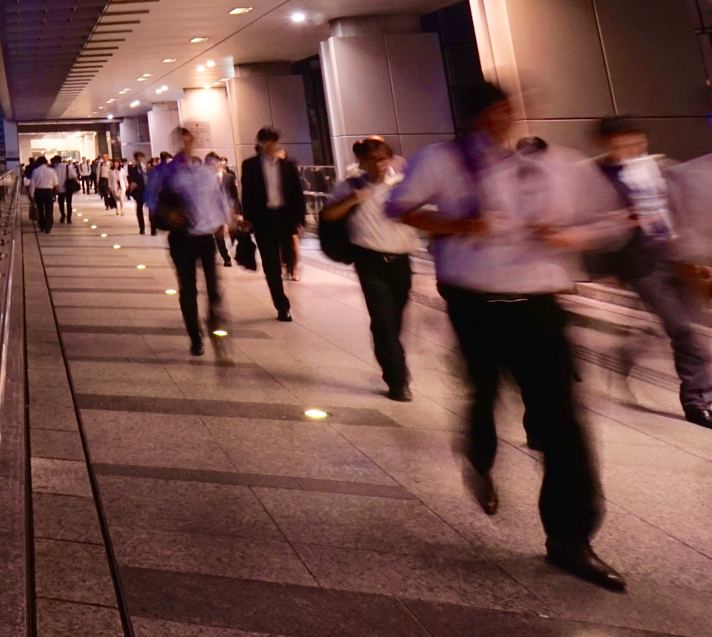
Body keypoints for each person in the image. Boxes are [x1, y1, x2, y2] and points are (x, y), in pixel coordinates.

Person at [387, 82, 630, 591]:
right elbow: (400, 207)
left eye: (510, 109)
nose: (505, 118)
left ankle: (570, 539)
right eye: (494, 111)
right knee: (483, 392)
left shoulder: (555, 163)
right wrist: (457, 225)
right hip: (474, 304)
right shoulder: (443, 161)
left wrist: (569, 237)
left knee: (563, 421)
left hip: (541, 306)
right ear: (476, 116)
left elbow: (615, 220)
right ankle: (478, 455)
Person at [591, 116, 712, 428]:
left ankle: (626, 354)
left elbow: (685, 209)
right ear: (607, 145)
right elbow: (589, 226)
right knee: (681, 328)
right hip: (639, 264)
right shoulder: (597, 177)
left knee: (685, 327)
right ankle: (698, 401)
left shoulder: (662, 168)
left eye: (638, 144)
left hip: (677, 257)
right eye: (623, 145)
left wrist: (698, 254)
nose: (632, 150)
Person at [321, 137, 419, 401]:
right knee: (384, 320)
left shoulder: (403, 186)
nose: (378, 164)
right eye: (371, 160)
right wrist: (351, 200)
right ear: (362, 162)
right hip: (370, 260)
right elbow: (328, 215)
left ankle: (392, 359)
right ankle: (397, 380)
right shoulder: (351, 186)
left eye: (382, 158)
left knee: (393, 321)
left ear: (390, 159)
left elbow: (422, 215)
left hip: (401, 260)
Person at [146, 127, 235, 357]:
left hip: (205, 239)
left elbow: (219, 198)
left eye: (189, 142)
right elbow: (152, 200)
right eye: (182, 142)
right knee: (188, 290)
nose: (186, 146)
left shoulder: (204, 173)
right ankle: (195, 338)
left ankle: (214, 320)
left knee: (214, 289)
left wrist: (232, 220)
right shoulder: (168, 174)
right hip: (181, 239)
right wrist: (166, 215)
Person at [240, 128, 307, 321]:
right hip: (263, 220)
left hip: (285, 219)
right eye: (267, 141)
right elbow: (247, 195)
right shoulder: (250, 165)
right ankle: (282, 305)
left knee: (288, 256)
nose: (271, 145)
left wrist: (299, 219)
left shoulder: (288, 166)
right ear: (260, 143)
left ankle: (289, 271)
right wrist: (248, 219)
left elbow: (297, 193)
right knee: (271, 265)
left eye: (274, 141)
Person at [205, 153, 237, 266]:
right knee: (219, 236)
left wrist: (238, 212)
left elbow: (234, 195)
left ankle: (236, 251)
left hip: (229, 209)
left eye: (215, 163)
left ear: (219, 163)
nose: (213, 166)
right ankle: (226, 257)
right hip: (215, 211)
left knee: (234, 232)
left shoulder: (229, 177)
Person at [28, 155, 59, 234]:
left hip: (38, 192)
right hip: (48, 191)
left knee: (40, 210)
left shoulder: (35, 171)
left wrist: (31, 195)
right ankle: (48, 226)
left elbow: (33, 184)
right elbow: (56, 183)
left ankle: (42, 225)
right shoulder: (51, 171)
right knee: (49, 209)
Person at [126, 151, 150, 234]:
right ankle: (142, 228)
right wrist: (132, 184)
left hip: (148, 191)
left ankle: (153, 227)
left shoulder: (147, 168)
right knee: (139, 210)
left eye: (141, 157)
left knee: (151, 209)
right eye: (138, 158)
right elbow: (131, 179)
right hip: (139, 192)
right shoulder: (133, 169)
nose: (140, 159)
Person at [59, 159, 78, 223]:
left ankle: (62, 215)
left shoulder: (55, 169)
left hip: (60, 188)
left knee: (61, 203)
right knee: (69, 203)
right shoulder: (68, 168)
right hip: (68, 188)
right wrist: (77, 184)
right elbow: (74, 176)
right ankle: (69, 218)